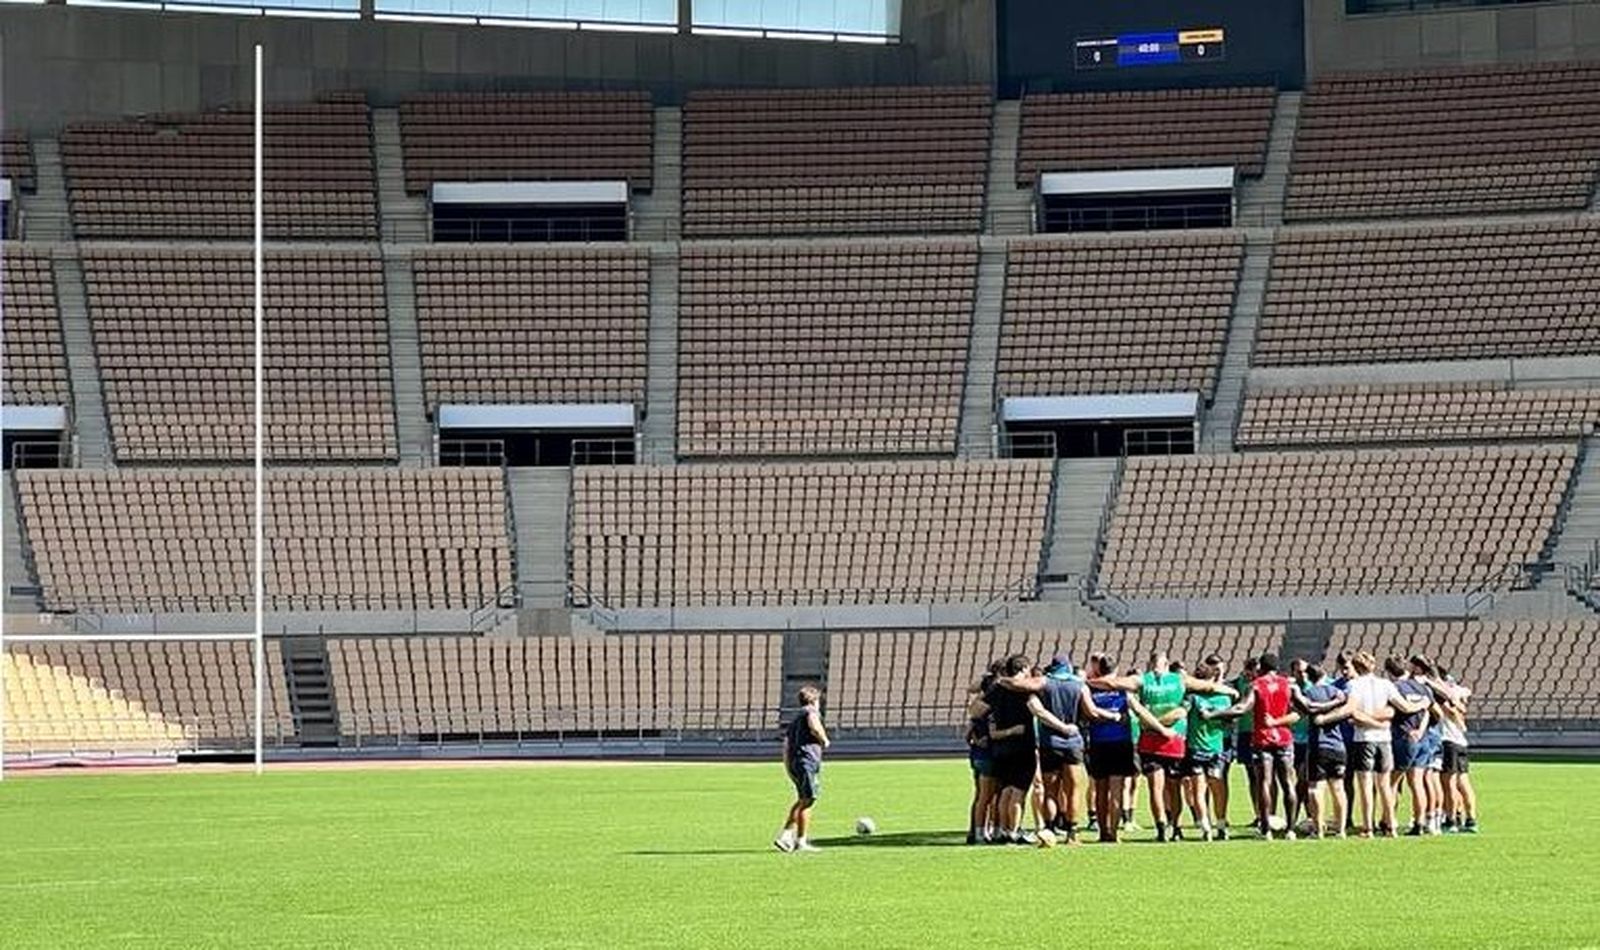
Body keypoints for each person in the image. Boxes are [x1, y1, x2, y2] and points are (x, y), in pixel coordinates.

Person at [1090, 650, 1236, 842]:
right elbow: (1208, 687)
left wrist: (1086, 682)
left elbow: (1111, 683)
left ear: (1151, 665)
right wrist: (1230, 690)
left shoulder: (1143, 680)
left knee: (1156, 788)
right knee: (1173, 787)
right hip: (1173, 741)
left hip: (1150, 739)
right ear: (1167, 664)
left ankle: (1162, 828)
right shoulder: (1179, 680)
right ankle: (1175, 827)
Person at [1001, 652, 1119, 845]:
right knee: (1074, 790)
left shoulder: (1044, 682)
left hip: (1049, 743)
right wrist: (1112, 716)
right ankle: (1072, 834)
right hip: (1073, 742)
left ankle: (1049, 829)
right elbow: (1091, 712)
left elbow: (1017, 684)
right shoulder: (1079, 685)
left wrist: (1000, 680)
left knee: (1050, 791)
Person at [1316, 651, 1430, 838]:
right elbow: (1403, 707)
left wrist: (1325, 718)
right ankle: (1391, 825)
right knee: (1385, 785)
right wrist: (1423, 704)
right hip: (1384, 739)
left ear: (1356, 667)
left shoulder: (1354, 685)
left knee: (1366, 785)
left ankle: (1368, 828)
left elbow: (1350, 709)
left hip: (1364, 739)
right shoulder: (1385, 684)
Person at [985, 654, 1082, 845]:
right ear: (1023, 669)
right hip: (1024, 746)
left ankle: (1004, 831)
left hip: (1002, 749)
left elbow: (976, 709)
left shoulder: (996, 688)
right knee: (1019, 791)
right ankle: (1015, 831)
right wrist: (1065, 728)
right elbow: (1038, 711)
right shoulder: (1026, 691)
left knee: (1007, 790)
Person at [1084, 653, 1170, 843]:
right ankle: (1113, 834)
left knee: (1100, 789)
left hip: (1098, 742)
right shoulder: (1123, 689)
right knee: (1117, 789)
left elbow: (1086, 713)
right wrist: (1162, 729)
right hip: (1121, 742)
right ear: (1116, 670)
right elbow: (1139, 711)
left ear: (1099, 669)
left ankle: (1102, 833)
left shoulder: (1090, 687)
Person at [1221, 652, 1299, 839]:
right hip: (1284, 738)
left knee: (1264, 782)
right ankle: (1290, 829)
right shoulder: (1288, 685)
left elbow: (1241, 708)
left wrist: (1216, 714)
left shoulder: (1255, 685)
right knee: (1288, 782)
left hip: (1263, 739)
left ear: (1261, 668)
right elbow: (1300, 712)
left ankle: (1266, 830)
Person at [1182, 658, 1234, 841]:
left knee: (1205, 788)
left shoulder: (1223, 696)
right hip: (1206, 748)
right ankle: (1212, 825)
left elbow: (1230, 720)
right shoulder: (1195, 697)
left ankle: (1211, 824)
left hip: (1210, 748)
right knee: (1210, 787)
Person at [775, 685, 830, 853]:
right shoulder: (810, 712)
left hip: (795, 762)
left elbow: (786, 746)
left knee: (804, 799)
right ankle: (792, 837)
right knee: (808, 799)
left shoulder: (795, 719)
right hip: (806, 761)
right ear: (814, 700)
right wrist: (824, 739)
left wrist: (788, 768)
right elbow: (814, 726)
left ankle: (794, 839)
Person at [1298, 663, 1348, 838]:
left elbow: (1303, 712)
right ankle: (1341, 830)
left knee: (1315, 788)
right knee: (1338, 788)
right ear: (1324, 674)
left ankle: (1319, 829)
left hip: (1318, 745)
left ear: (1309, 678)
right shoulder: (1337, 692)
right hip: (1338, 746)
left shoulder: (1308, 693)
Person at [1388, 655, 1435, 836]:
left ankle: (1389, 820)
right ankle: (1419, 823)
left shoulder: (1397, 687)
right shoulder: (1425, 689)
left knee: (1391, 783)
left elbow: (1396, 709)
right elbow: (1428, 713)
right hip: (1421, 739)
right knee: (1417, 783)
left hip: (1403, 737)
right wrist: (1421, 731)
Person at [1434, 667, 1479, 834]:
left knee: (1449, 784)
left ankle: (1451, 820)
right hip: (1460, 741)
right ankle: (1470, 819)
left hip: (1448, 741)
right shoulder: (1456, 691)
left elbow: (1449, 710)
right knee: (1463, 783)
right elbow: (1466, 692)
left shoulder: (1442, 695)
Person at [964, 661, 1004, 844]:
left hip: (977, 755)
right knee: (990, 796)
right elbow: (994, 733)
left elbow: (967, 734)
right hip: (990, 755)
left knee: (981, 795)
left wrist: (975, 740)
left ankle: (977, 831)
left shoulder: (977, 708)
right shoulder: (994, 710)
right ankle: (986, 833)